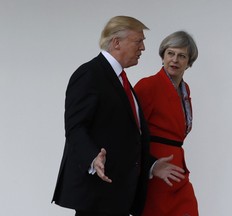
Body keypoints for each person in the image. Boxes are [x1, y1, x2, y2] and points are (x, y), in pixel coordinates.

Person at [52, 16, 185, 216]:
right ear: (116, 42)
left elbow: (126, 138)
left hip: (118, 196)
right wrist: (92, 157)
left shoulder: (121, 81)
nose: (143, 48)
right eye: (138, 41)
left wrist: (152, 165)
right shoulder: (90, 74)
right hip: (98, 195)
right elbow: (75, 127)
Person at [134, 31, 199, 216]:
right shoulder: (148, 86)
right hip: (157, 172)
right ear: (163, 56)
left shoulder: (185, 90)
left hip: (179, 170)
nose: (175, 60)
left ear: (189, 62)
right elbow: (131, 131)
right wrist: (150, 165)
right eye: (170, 53)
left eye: (182, 56)